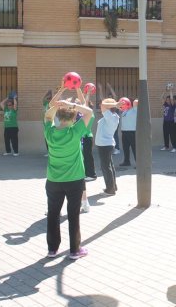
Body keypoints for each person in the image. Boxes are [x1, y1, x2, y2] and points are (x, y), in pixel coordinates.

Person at [44, 81, 93, 259]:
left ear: (58, 117)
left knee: (53, 214)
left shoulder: (49, 132)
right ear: (73, 119)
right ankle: (74, 250)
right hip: (74, 180)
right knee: (73, 215)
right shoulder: (75, 131)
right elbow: (89, 112)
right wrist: (72, 104)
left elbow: (47, 116)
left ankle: (52, 249)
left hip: (53, 181)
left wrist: (56, 105)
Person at [96, 98, 123, 195]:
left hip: (105, 145)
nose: (101, 105)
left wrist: (115, 104)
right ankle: (113, 187)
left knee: (106, 167)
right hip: (105, 144)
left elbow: (102, 105)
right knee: (109, 166)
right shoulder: (112, 116)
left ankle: (110, 189)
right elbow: (103, 105)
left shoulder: (110, 116)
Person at [81, 89, 97, 180]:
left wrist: (88, 93)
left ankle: (92, 175)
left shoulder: (90, 114)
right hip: (86, 137)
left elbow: (85, 103)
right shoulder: (89, 114)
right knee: (86, 156)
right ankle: (88, 174)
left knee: (88, 157)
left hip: (87, 137)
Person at [120, 99, 137, 167]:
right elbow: (118, 106)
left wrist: (129, 102)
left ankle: (138, 163)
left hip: (131, 132)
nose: (123, 105)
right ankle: (127, 161)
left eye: (124, 104)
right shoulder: (124, 111)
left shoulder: (134, 110)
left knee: (134, 148)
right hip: (124, 132)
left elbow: (136, 101)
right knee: (125, 148)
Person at [161, 87, 176, 152]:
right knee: (165, 134)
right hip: (165, 122)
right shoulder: (165, 105)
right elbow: (162, 98)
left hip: (171, 121)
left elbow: (172, 98)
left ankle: (174, 147)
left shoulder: (173, 105)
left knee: (172, 134)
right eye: (167, 100)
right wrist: (165, 90)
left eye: (168, 100)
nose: (167, 100)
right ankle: (166, 146)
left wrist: (170, 91)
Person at [42, 90, 52, 156]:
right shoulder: (45, 104)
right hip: (45, 124)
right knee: (46, 138)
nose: (48, 100)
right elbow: (43, 99)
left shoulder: (52, 105)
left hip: (51, 124)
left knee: (51, 139)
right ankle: (48, 152)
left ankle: (52, 152)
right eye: (48, 99)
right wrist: (47, 93)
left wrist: (52, 95)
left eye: (49, 99)